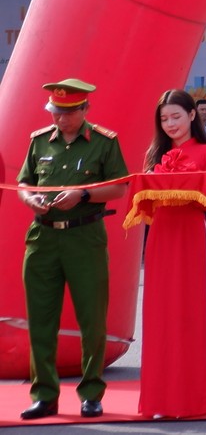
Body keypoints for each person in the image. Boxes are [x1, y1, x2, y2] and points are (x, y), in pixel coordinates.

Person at [15, 79, 130, 421]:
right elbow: (24, 182)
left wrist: (82, 195)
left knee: (92, 318)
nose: (60, 119)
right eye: (56, 112)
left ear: (84, 110)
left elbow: (119, 188)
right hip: (43, 239)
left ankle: (91, 392)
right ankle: (44, 395)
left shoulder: (104, 142)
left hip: (84, 238)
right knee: (41, 319)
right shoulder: (38, 141)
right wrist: (30, 199)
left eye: (68, 112)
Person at [135, 89, 206, 419]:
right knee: (159, 314)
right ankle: (159, 399)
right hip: (160, 234)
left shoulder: (205, 152)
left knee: (189, 312)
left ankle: (190, 399)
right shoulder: (154, 153)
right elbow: (142, 197)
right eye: (164, 118)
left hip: (191, 234)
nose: (170, 124)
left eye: (176, 116)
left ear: (191, 116)